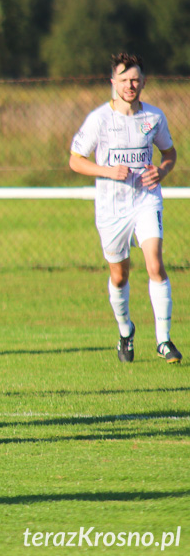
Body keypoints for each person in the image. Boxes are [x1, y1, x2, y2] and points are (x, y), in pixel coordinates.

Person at [69, 52, 181, 364]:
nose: (130, 85)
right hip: (111, 208)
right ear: (113, 83)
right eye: (124, 80)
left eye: (135, 79)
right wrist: (107, 171)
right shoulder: (100, 120)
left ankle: (163, 340)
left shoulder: (154, 118)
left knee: (155, 265)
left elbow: (169, 153)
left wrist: (162, 170)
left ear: (143, 82)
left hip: (146, 200)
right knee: (119, 275)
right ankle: (125, 330)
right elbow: (75, 160)